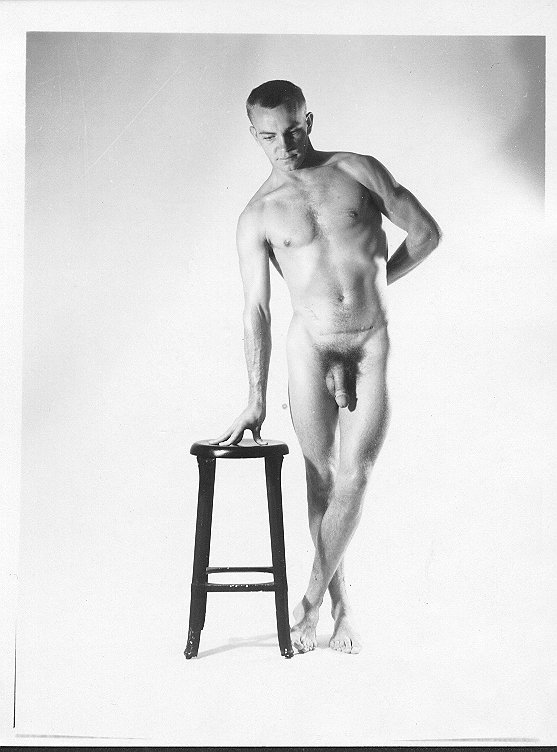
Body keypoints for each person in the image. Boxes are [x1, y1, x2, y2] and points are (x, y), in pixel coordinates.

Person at [210, 80, 441, 654]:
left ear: (308, 121)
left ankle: (309, 602)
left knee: (355, 476)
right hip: (309, 348)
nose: (284, 146)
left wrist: (376, 287)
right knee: (321, 477)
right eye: (269, 137)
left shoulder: (358, 170)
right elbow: (256, 308)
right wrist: (255, 396)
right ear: (254, 135)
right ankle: (341, 609)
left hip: (369, 343)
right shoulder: (256, 215)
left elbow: (425, 233)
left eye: (293, 131)